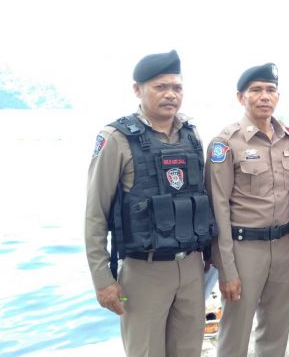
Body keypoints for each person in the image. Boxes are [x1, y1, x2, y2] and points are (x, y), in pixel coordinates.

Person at [84, 50, 217, 357]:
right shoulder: (116, 139)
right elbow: (95, 213)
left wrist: (211, 255)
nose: (171, 94)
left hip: (191, 267)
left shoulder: (191, 135)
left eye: (177, 87)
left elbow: (202, 199)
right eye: (161, 87)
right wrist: (103, 280)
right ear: (137, 89)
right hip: (144, 270)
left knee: (188, 351)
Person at [205, 62, 289, 357]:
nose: (264, 96)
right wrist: (226, 268)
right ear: (240, 97)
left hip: (283, 247)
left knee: (276, 329)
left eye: (270, 90)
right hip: (244, 249)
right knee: (236, 332)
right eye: (256, 90)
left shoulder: (287, 139)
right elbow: (217, 208)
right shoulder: (226, 142)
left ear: (278, 96)